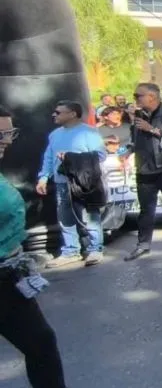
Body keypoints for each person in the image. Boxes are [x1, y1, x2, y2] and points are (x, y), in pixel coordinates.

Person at [0, 106, 117, 388]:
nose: (7, 141)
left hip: (8, 272)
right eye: (1, 134)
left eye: (9, 133)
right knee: (39, 340)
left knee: (39, 340)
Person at [36, 101, 107, 268]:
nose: (54, 115)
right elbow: (48, 157)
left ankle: (95, 249)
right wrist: (43, 177)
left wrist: (70, 157)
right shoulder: (54, 134)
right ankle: (71, 251)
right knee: (65, 217)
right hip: (62, 182)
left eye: (58, 112)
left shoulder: (89, 132)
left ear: (73, 114)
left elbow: (100, 155)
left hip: (84, 182)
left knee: (90, 215)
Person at [123, 83, 162, 261]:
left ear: (151, 96)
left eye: (138, 95)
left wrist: (151, 129)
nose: (135, 99)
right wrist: (129, 150)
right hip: (145, 168)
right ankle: (143, 245)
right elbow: (135, 139)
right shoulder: (139, 115)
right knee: (146, 210)